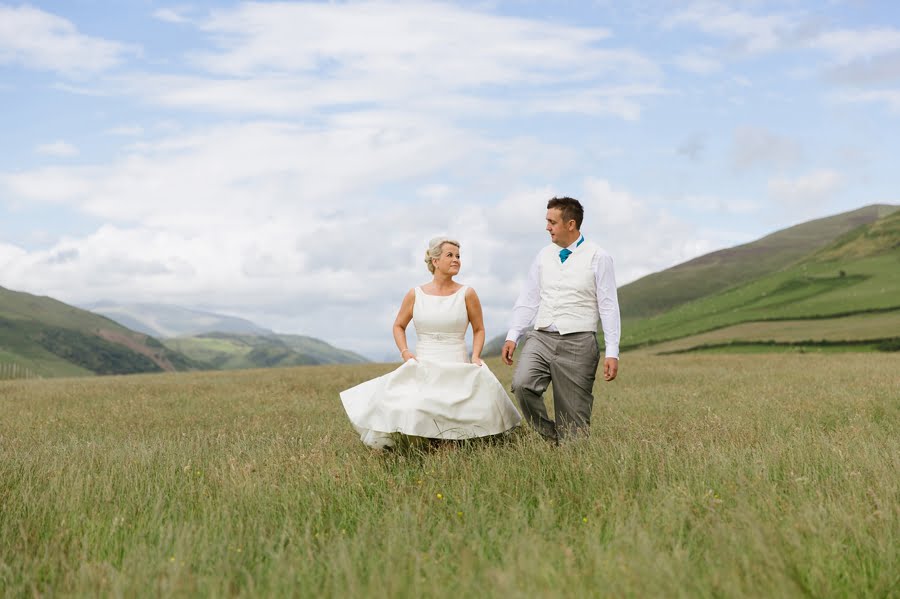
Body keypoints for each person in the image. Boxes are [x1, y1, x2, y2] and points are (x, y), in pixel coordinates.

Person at [340, 237, 522, 449]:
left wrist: (475, 356)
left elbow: (479, 329)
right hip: (424, 362)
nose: (456, 260)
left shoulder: (467, 293)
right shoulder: (415, 294)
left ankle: (456, 444)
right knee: (411, 404)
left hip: (456, 360)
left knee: (461, 406)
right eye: (450, 255)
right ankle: (421, 444)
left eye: (458, 256)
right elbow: (398, 325)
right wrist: (405, 352)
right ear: (435, 261)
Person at [502, 197, 620, 442]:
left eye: (552, 222)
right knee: (523, 385)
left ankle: (570, 450)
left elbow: (608, 307)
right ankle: (550, 434)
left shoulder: (599, 256)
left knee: (574, 422)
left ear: (571, 224)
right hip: (541, 336)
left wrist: (612, 351)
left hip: (579, 342)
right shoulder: (543, 255)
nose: (547, 227)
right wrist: (514, 334)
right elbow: (529, 298)